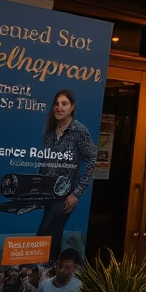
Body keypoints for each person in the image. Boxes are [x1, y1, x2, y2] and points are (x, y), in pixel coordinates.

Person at [36, 89, 97, 262]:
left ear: (72, 107)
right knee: (53, 234)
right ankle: (51, 271)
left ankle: (40, 268)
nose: (59, 107)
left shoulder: (79, 131)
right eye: (56, 104)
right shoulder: (50, 130)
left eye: (64, 104)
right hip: (48, 192)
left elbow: (92, 161)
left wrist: (76, 194)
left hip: (65, 194)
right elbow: (46, 159)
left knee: (45, 232)